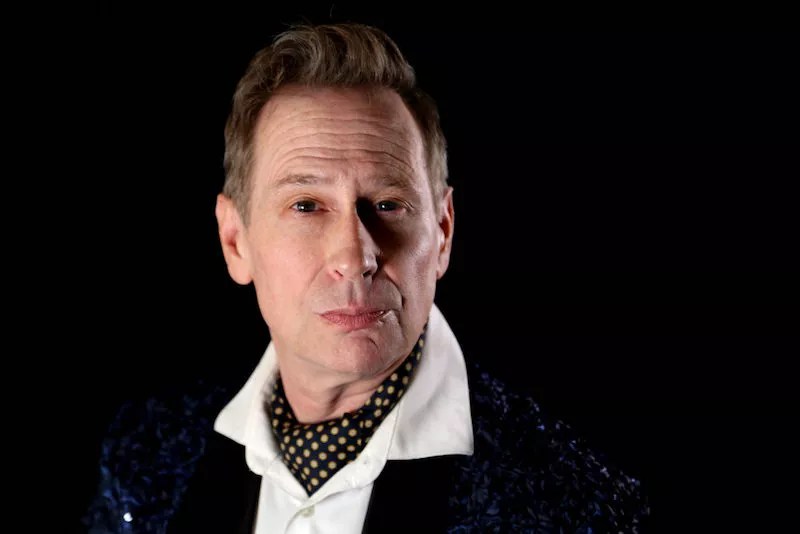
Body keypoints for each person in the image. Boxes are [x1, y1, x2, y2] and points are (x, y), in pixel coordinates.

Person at [85, 22, 648, 533]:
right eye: (306, 206)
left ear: (443, 232)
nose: (356, 256)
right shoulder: (145, 450)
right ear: (236, 242)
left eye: (387, 204)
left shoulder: (575, 505)